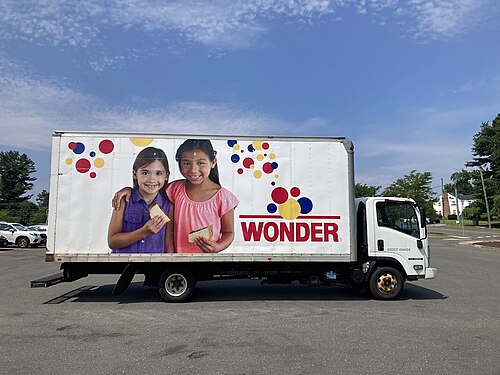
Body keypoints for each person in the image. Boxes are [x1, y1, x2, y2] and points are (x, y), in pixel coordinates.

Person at [113, 139, 239, 254]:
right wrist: (129, 189)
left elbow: (229, 233)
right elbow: (151, 189)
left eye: (200, 163)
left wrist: (218, 246)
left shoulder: (224, 197)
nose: (193, 170)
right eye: (186, 163)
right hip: (178, 258)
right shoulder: (174, 189)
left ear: (213, 162)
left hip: (206, 259)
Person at [108, 147, 173, 254]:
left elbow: (168, 246)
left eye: (158, 173)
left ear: (166, 176)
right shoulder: (124, 200)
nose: (152, 179)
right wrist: (143, 232)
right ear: (135, 174)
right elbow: (112, 241)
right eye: (145, 173)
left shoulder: (168, 206)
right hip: (124, 266)